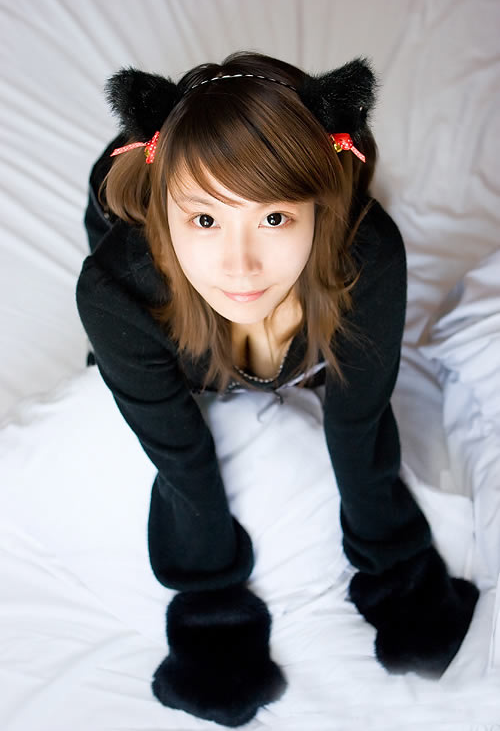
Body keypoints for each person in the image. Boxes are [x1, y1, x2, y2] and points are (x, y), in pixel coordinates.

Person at [76, 50, 479, 727]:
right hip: (140, 243)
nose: (240, 266)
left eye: (274, 219)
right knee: (113, 201)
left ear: (317, 210)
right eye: (206, 220)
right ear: (168, 215)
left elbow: (359, 420)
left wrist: (397, 564)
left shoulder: (368, 254)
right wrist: (210, 600)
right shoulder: (117, 291)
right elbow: (180, 457)